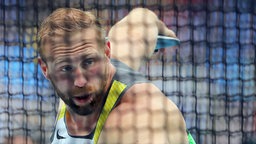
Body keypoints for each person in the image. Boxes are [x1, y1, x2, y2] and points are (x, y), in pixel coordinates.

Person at [38, 7, 194, 144]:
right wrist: (160, 27)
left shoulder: (136, 121)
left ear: (107, 53)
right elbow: (140, 21)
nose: (80, 81)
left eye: (89, 62)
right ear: (46, 69)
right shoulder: (114, 52)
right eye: (66, 68)